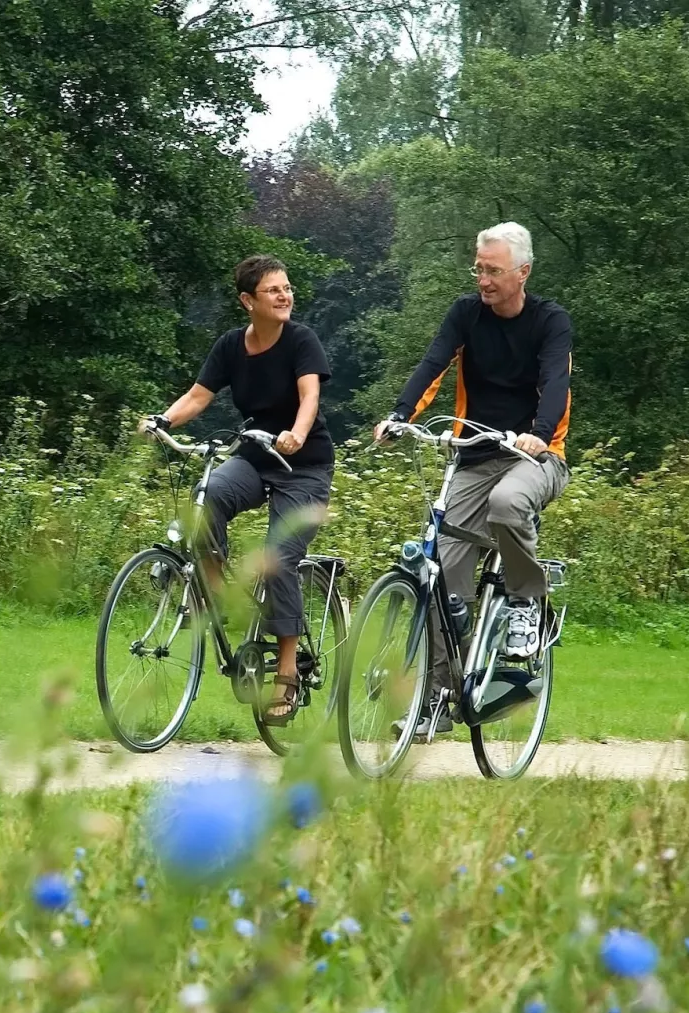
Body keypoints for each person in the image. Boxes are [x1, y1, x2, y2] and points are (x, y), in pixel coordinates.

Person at [374, 222, 572, 737]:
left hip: (535, 458)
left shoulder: (551, 322)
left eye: (493, 270)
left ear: (522, 272)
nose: (482, 279)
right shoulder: (465, 314)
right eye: (478, 269)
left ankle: (527, 598)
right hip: (473, 457)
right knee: (444, 579)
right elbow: (433, 364)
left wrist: (539, 435)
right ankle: (437, 701)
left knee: (508, 505)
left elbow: (556, 383)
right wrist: (400, 415)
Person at [139, 254, 334, 725]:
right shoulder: (231, 346)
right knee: (205, 500)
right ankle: (216, 593)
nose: (285, 296)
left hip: (303, 466)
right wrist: (162, 420)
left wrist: (297, 434)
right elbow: (198, 396)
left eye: (287, 288)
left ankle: (286, 674)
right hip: (254, 456)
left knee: (278, 558)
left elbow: (309, 397)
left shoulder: (300, 341)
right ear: (248, 301)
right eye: (273, 290)